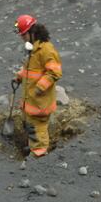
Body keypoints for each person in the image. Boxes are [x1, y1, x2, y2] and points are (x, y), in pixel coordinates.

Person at [13, 14, 62, 158]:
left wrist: (40, 87)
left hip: (40, 102)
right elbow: (30, 70)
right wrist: (19, 77)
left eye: (23, 35)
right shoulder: (33, 49)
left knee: (38, 129)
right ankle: (33, 147)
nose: (22, 38)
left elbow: (55, 72)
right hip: (31, 101)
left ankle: (39, 157)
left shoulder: (46, 50)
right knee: (30, 126)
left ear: (32, 32)